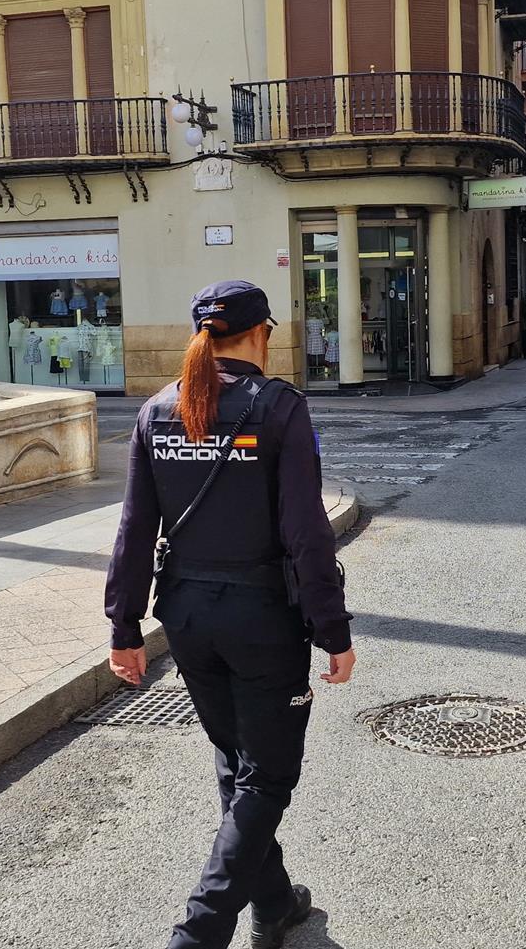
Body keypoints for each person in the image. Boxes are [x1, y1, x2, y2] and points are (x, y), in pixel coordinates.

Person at [104, 280, 356, 949]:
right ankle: (198, 933)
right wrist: (333, 630)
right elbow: (306, 533)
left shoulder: (157, 409)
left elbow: (134, 530)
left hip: (187, 618)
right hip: (262, 619)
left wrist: (124, 627)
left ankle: (273, 903)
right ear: (262, 333)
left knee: (237, 760)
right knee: (267, 775)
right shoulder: (278, 407)